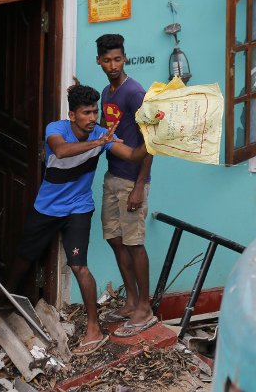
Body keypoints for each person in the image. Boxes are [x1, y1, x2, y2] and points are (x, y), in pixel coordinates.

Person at [6, 83, 147, 356]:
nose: (93, 117)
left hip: (79, 209)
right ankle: (6, 297)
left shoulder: (101, 134)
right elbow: (60, 151)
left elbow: (131, 155)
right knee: (25, 255)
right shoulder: (56, 129)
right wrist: (98, 142)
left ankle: (93, 329)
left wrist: (153, 139)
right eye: (86, 112)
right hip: (47, 207)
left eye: (95, 112)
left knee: (79, 265)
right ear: (72, 115)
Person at [94, 34, 157, 337]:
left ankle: (145, 308)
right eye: (107, 60)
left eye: (117, 59)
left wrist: (139, 186)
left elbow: (151, 141)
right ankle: (131, 301)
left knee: (134, 243)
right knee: (115, 239)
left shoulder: (135, 93)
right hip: (113, 175)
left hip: (133, 180)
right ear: (99, 61)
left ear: (125, 58)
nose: (113, 65)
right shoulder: (107, 92)